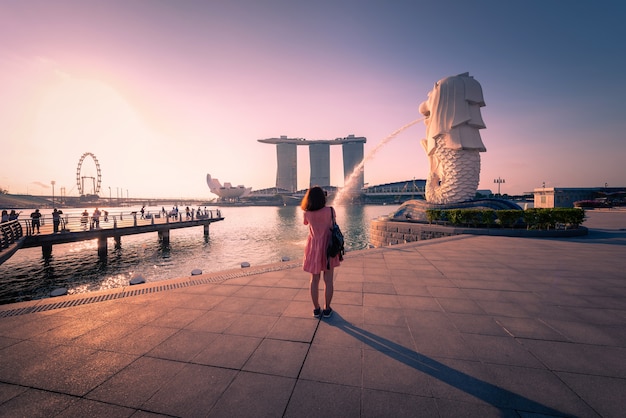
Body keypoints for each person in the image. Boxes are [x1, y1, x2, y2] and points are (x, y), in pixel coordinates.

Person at [301, 186, 341, 318]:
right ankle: (327, 309)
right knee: (328, 280)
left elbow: (306, 223)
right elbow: (332, 223)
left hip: (314, 248)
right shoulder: (330, 210)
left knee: (314, 280)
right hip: (329, 247)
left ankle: (316, 309)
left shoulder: (307, 213)